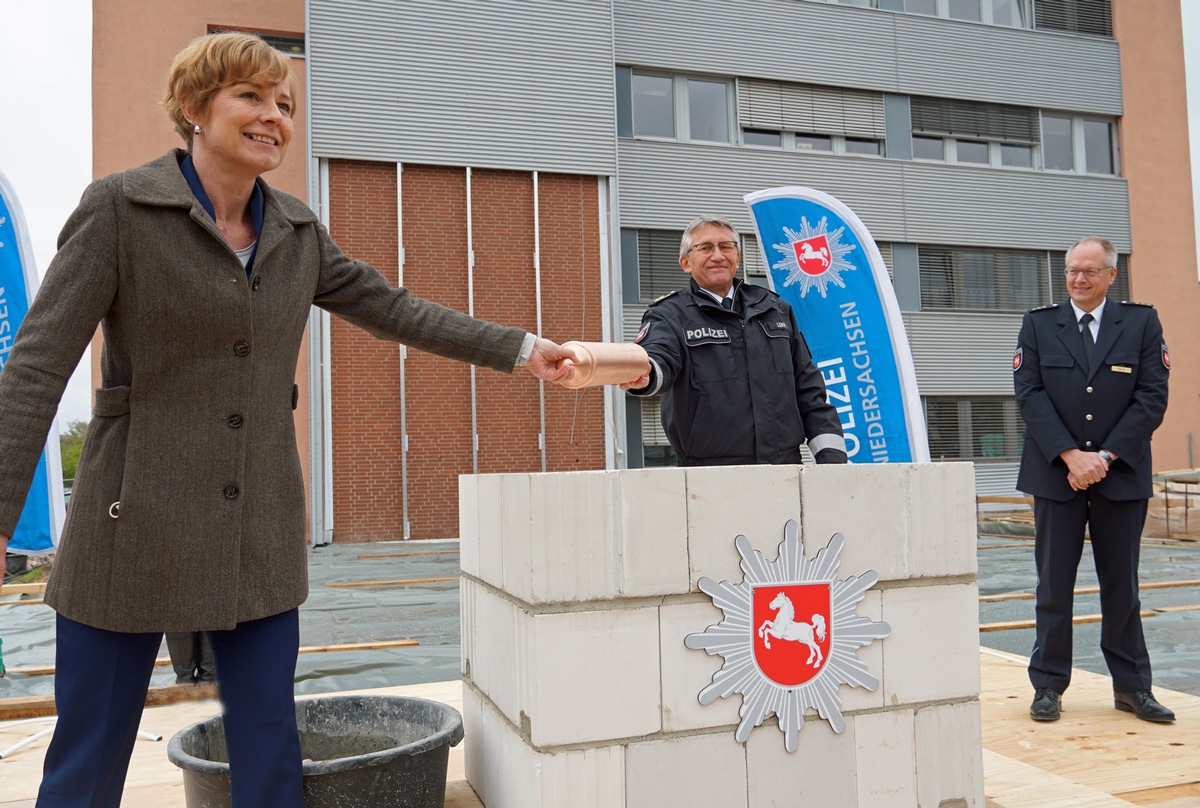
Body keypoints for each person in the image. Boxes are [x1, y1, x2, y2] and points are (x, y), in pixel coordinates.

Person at [0, 32, 575, 807]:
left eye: (284, 104)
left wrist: (524, 350)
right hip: (127, 528)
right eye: (250, 97)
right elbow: (37, 366)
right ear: (194, 109)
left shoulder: (297, 232)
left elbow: (396, 309)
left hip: (256, 530)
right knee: (89, 754)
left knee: (268, 743)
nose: (273, 115)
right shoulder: (121, 209)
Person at [1013, 236, 1173, 724]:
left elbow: (1152, 397)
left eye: (1089, 271)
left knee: (1122, 586)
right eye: (1072, 272)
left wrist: (1102, 457)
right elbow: (1029, 394)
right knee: (1053, 586)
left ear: (1110, 274)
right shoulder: (1040, 324)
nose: (1078, 280)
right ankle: (1047, 687)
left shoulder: (1141, 322)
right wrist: (1070, 456)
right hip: (1054, 474)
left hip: (1119, 474)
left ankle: (1132, 689)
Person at [623, 215, 847, 466]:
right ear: (685, 262)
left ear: (737, 258)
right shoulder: (669, 314)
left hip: (785, 468)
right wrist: (646, 373)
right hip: (708, 475)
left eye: (726, 246)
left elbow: (809, 391)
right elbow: (657, 357)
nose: (718, 255)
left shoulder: (776, 310)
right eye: (705, 248)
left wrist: (831, 458)